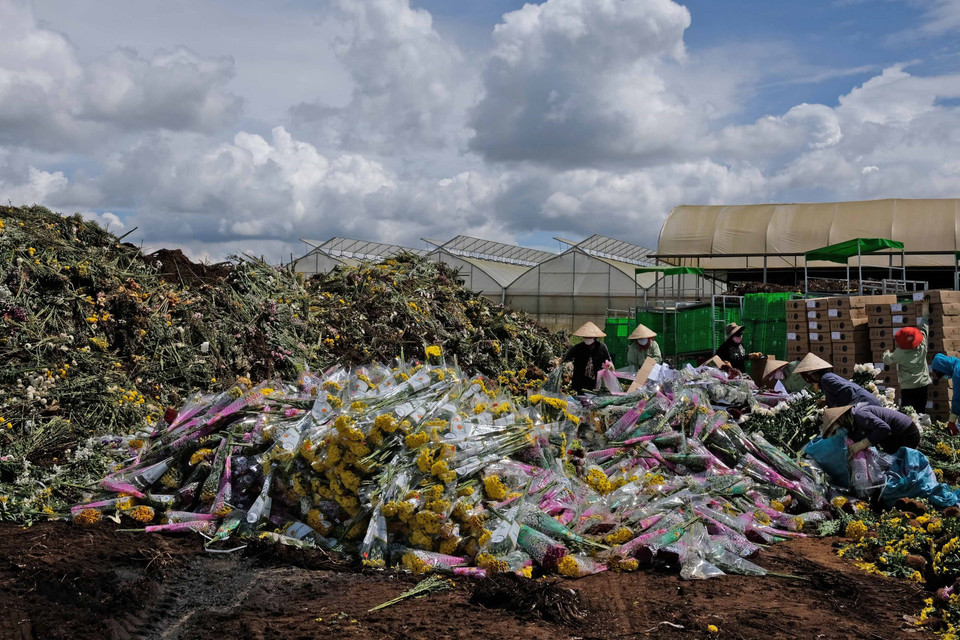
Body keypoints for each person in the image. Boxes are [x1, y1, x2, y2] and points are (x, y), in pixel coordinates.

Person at [883, 300, 931, 415]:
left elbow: (887, 360)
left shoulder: (900, 353)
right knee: (920, 412)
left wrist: (886, 352)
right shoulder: (922, 344)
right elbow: (925, 324)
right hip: (922, 385)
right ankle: (921, 431)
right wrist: (925, 308)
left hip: (907, 387)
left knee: (907, 414)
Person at [821, 404, 921, 455]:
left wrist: (862, 444)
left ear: (841, 419)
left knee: (898, 463)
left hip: (907, 433)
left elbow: (883, 428)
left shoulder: (860, 415)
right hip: (894, 436)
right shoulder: (853, 424)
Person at [793, 353, 881, 408]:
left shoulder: (826, 379)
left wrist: (836, 408)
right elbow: (840, 392)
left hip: (866, 405)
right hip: (866, 404)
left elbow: (847, 391)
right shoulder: (826, 378)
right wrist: (827, 401)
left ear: (812, 374)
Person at [561, 321, 612, 393]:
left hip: (595, 381)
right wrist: (559, 363)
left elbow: (608, 360)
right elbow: (565, 358)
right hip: (580, 381)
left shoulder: (601, 347)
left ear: (595, 337)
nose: (587, 339)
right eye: (585, 337)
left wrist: (610, 366)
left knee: (594, 398)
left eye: (589, 337)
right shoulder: (578, 347)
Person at [930, 354, 960, 435]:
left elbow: (957, 397)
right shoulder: (957, 365)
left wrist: (952, 421)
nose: (946, 376)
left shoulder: (958, 373)